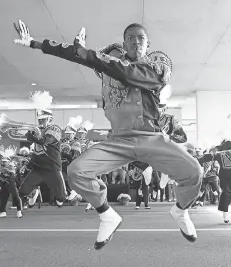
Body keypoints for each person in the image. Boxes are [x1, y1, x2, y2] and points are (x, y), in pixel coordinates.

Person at [14, 20, 202, 249]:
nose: (135, 42)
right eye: (130, 38)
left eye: (140, 38)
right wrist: (35, 43)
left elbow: (121, 70)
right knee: (75, 171)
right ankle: (107, 214)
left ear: (148, 45)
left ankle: (181, 211)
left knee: (195, 172)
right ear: (124, 42)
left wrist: (88, 53)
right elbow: (75, 55)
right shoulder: (110, 65)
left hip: (151, 138)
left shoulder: (155, 67)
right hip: (118, 140)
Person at [17, 91, 67, 208]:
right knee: (22, 191)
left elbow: (45, 141)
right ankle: (34, 193)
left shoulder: (55, 128)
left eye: (43, 119)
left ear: (49, 119)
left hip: (52, 168)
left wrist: (32, 137)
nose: (40, 122)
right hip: (38, 168)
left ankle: (60, 197)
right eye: (39, 119)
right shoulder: (37, 130)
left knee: (61, 199)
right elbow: (36, 150)